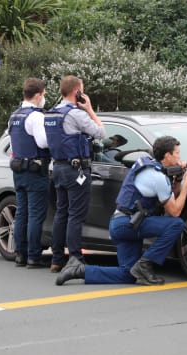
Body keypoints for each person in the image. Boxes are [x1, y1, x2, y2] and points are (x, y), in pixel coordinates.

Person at [55, 135, 187, 286]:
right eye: (177, 153)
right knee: (176, 224)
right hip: (129, 225)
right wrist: (186, 186)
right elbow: (174, 211)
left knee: (128, 274)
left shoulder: (149, 167)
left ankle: (78, 270)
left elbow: (171, 197)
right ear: (167, 155)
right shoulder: (157, 177)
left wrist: (178, 179)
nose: (180, 156)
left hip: (122, 223)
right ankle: (145, 264)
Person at [44, 75, 106, 272]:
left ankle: (56, 258)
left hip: (59, 169)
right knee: (75, 215)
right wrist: (89, 108)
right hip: (76, 169)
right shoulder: (76, 114)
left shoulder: (52, 113)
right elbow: (100, 132)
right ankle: (75, 258)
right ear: (76, 92)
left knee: (61, 212)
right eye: (82, 89)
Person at [8, 78, 51, 269]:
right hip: (35, 171)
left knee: (22, 213)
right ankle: (33, 256)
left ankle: (20, 254)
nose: (44, 98)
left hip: (18, 170)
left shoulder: (14, 116)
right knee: (35, 215)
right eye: (44, 94)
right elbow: (43, 143)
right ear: (38, 95)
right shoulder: (36, 116)